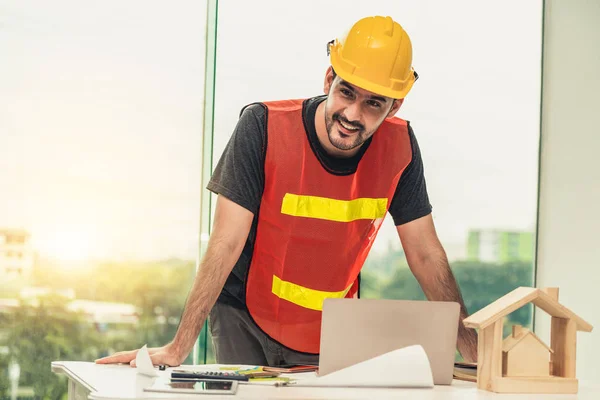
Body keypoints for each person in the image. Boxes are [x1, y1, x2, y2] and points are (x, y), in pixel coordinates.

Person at [96, 15, 478, 368]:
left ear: (394, 107)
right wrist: (179, 346)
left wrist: (475, 355)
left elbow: (426, 254)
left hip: (327, 328)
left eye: (373, 104)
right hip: (244, 314)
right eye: (347, 92)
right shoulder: (262, 126)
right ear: (329, 80)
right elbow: (226, 241)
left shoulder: (401, 149)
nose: (352, 114)